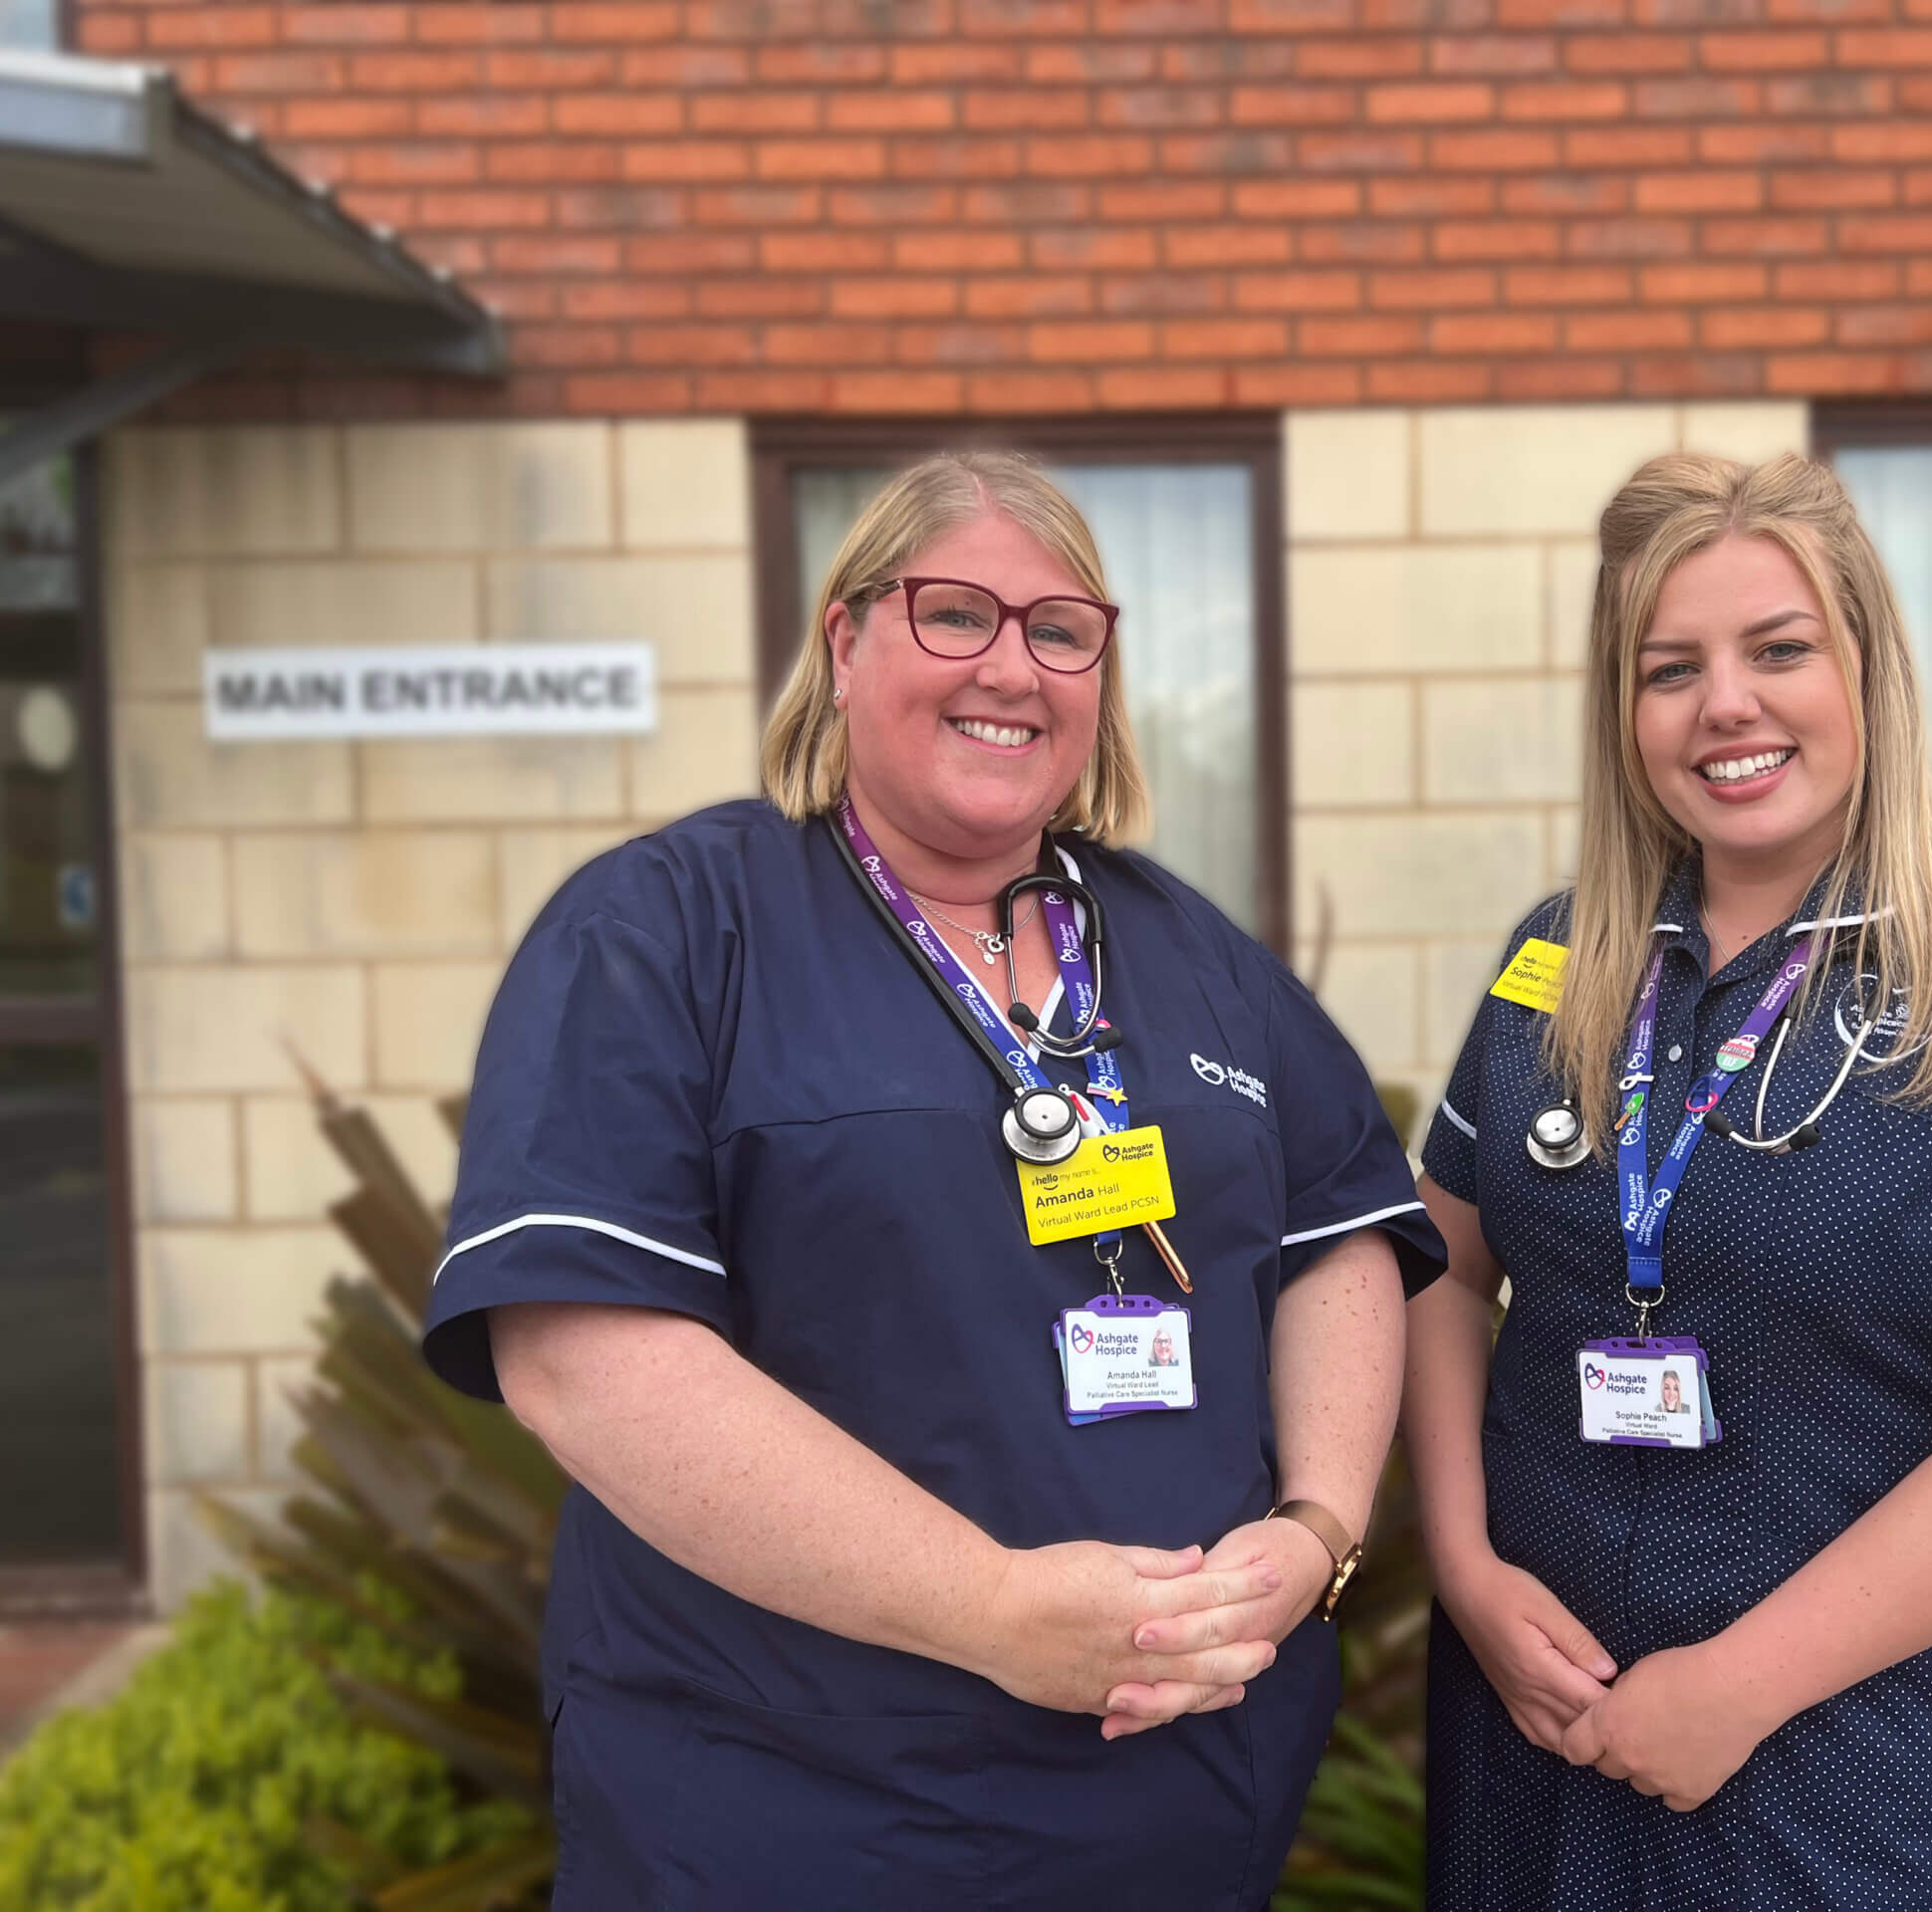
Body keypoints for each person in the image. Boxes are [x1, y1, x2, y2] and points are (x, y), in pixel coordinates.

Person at [423, 450, 1444, 1909]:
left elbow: (1342, 1228)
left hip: (1180, 1820)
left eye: (1060, 630)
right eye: (954, 614)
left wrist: (1319, 1531)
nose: (1011, 668)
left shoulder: (1185, 951)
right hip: (794, 1824)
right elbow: (582, 1360)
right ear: (843, 643)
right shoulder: (666, 932)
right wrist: (997, 1610)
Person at [1403, 451, 1932, 1908]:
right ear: (1624, 715)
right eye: (1670, 668)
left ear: (1867, 673)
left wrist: (1737, 1689)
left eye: (1779, 650)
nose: (1727, 706)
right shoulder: (1554, 966)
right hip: (1530, 1729)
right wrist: (1464, 1566)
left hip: (1826, 1775)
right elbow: (1441, 1266)